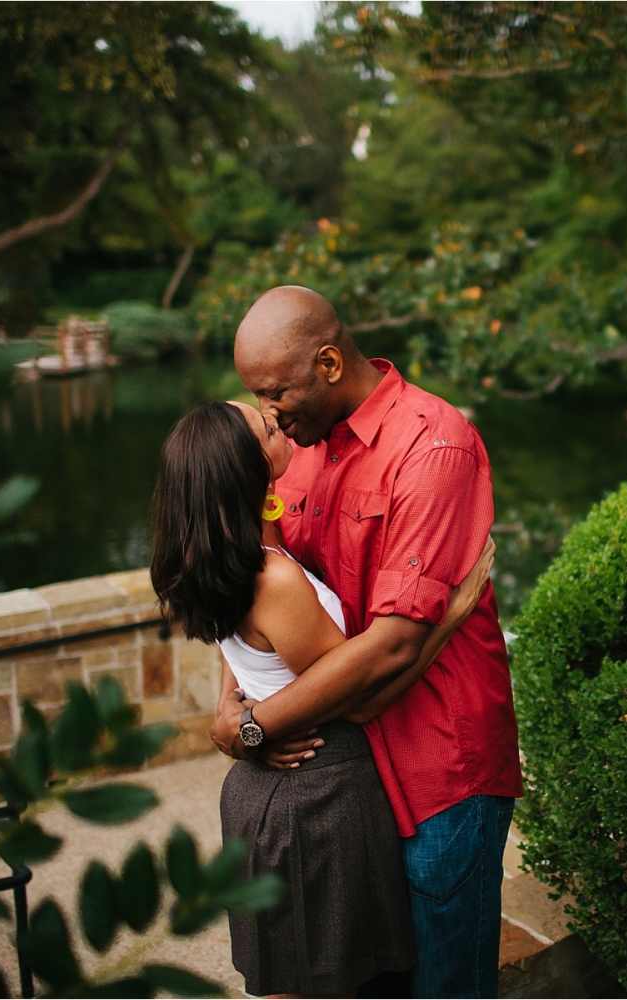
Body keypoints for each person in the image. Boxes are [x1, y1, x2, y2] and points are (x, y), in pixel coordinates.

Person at [210, 285, 524, 998]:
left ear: (326, 363)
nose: (268, 413)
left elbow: (389, 648)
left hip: (437, 775)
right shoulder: (296, 456)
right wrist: (231, 710)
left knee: (445, 988)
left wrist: (253, 728)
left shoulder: (433, 444)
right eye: (255, 398)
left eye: (274, 392)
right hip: (348, 784)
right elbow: (245, 588)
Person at [150, 399, 495, 998]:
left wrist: (242, 718)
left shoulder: (221, 559)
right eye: (263, 426)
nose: (273, 416)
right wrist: (452, 614)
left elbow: (245, 654)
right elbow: (359, 700)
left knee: (299, 977)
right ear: (248, 470)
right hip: (315, 797)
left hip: (271, 794)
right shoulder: (274, 579)